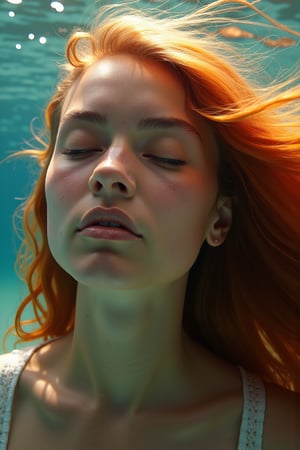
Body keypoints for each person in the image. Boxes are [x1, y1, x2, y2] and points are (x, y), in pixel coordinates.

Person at [1, 1, 300, 449]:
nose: (109, 171)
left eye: (165, 155)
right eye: (81, 147)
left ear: (219, 219)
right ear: (47, 193)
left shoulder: (283, 432)